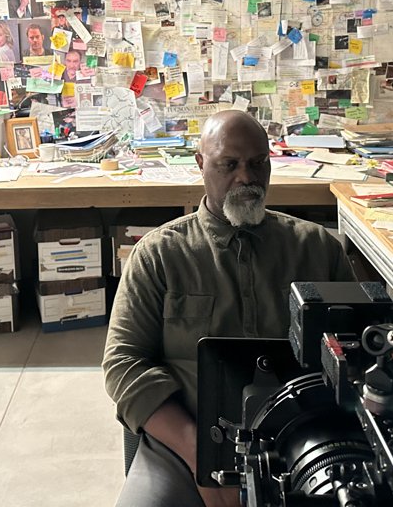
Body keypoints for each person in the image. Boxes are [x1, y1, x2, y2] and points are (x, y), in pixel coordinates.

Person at [103, 110, 355, 507]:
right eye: (229, 164)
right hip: (182, 446)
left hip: (302, 445)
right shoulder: (159, 255)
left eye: (258, 163)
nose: (246, 178)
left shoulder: (317, 249)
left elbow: (357, 347)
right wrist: (199, 455)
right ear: (200, 163)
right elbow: (124, 363)